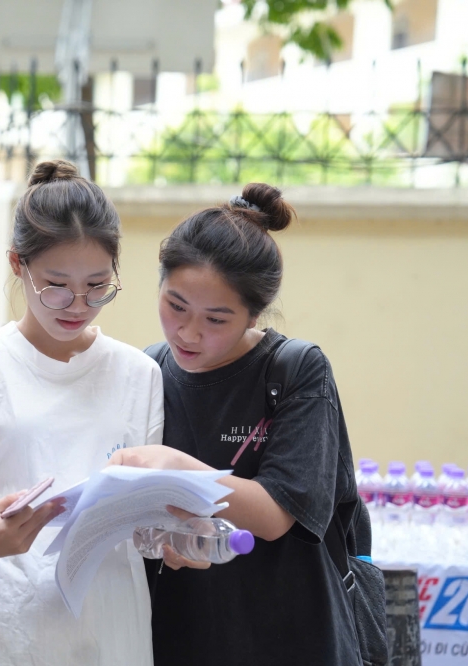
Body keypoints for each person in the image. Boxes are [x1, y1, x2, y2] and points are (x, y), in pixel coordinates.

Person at [108, 183, 362, 666]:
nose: (188, 332)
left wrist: (177, 468)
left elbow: (275, 513)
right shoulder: (148, 369)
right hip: (180, 635)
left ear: (253, 314)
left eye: (216, 319)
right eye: (175, 306)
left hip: (291, 636)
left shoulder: (295, 370)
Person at [0, 159, 164, 666]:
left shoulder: (139, 373)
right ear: (18, 264)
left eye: (97, 285)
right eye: (56, 284)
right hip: (3, 628)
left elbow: (145, 521)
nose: (77, 304)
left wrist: (176, 532)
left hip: (111, 630)